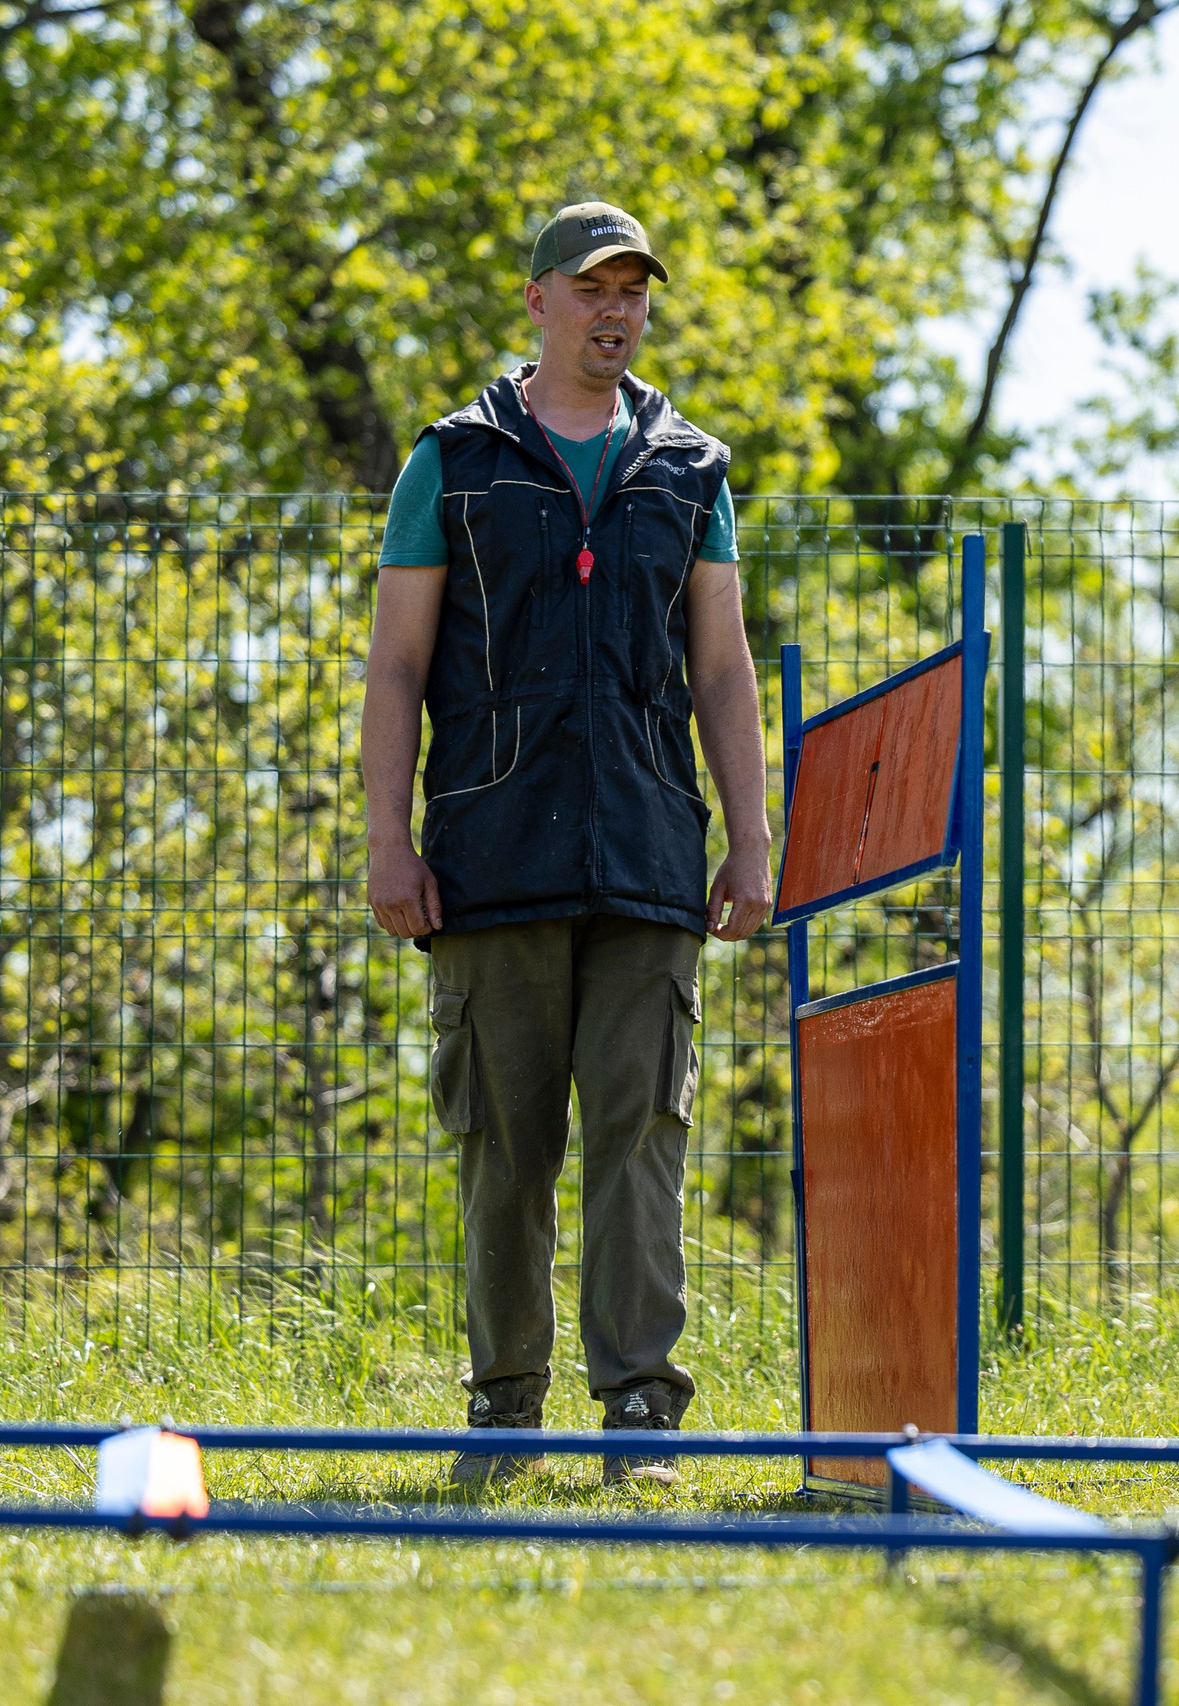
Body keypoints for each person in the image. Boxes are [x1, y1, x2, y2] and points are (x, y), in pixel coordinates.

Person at [360, 203, 775, 1487]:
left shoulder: (690, 465)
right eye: (593, 286)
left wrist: (750, 837)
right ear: (537, 299)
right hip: (489, 856)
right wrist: (389, 838)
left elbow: (721, 664)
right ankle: (504, 1406)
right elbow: (397, 664)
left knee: (641, 1137)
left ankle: (640, 1410)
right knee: (504, 1146)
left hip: (652, 854)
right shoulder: (452, 459)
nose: (617, 309)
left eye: (635, 290)